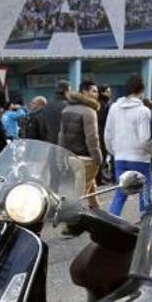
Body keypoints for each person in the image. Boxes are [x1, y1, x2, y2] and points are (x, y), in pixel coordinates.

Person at [105, 74, 152, 216]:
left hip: (120, 156)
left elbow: (108, 133)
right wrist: (151, 150)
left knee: (121, 192)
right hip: (140, 158)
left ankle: (112, 220)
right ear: (141, 90)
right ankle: (145, 222)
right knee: (144, 191)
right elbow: (145, 139)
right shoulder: (143, 111)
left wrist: (114, 151)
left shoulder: (114, 108)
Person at [59, 82, 102, 211]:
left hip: (70, 156)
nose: (96, 94)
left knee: (90, 185)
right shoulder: (89, 111)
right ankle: (70, 222)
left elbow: (61, 135)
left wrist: (61, 155)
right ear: (84, 92)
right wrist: (97, 157)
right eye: (93, 91)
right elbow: (92, 138)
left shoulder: (67, 109)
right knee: (79, 193)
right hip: (85, 158)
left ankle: (97, 211)